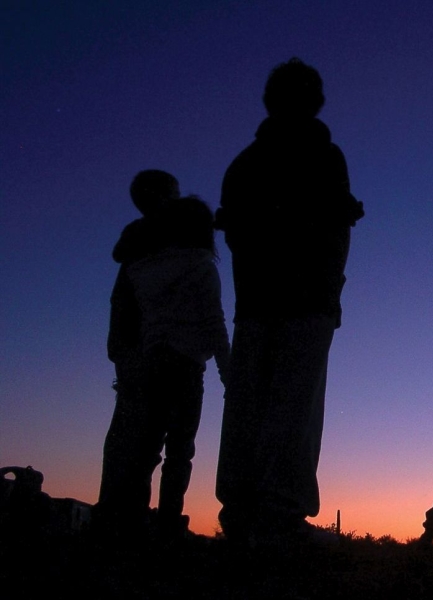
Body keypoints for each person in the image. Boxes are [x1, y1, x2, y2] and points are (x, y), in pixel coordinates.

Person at [214, 58, 364, 547]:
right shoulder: (325, 157)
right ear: (315, 101)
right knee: (294, 409)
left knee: (248, 407)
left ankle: (241, 512)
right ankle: (278, 516)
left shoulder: (243, 165)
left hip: (255, 302)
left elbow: (236, 236)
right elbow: (335, 233)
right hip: (305, 301)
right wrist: (329, 292)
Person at [97, 192, 230, 543]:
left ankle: (133, 521)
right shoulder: (201, 267)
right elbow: (214, 323)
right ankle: (169, 523)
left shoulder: (145, 270)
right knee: (180, 450)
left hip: (151, 363)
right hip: (186, 367)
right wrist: (226, 370)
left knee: (146, 448)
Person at [96, 170, 180, 540]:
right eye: (171, 192)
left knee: (139, 434)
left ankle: (124, 513)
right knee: (138, 434)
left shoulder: (139, 243)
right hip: (143, 348)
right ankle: (120, 515)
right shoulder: (154, 242)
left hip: (139, 347)